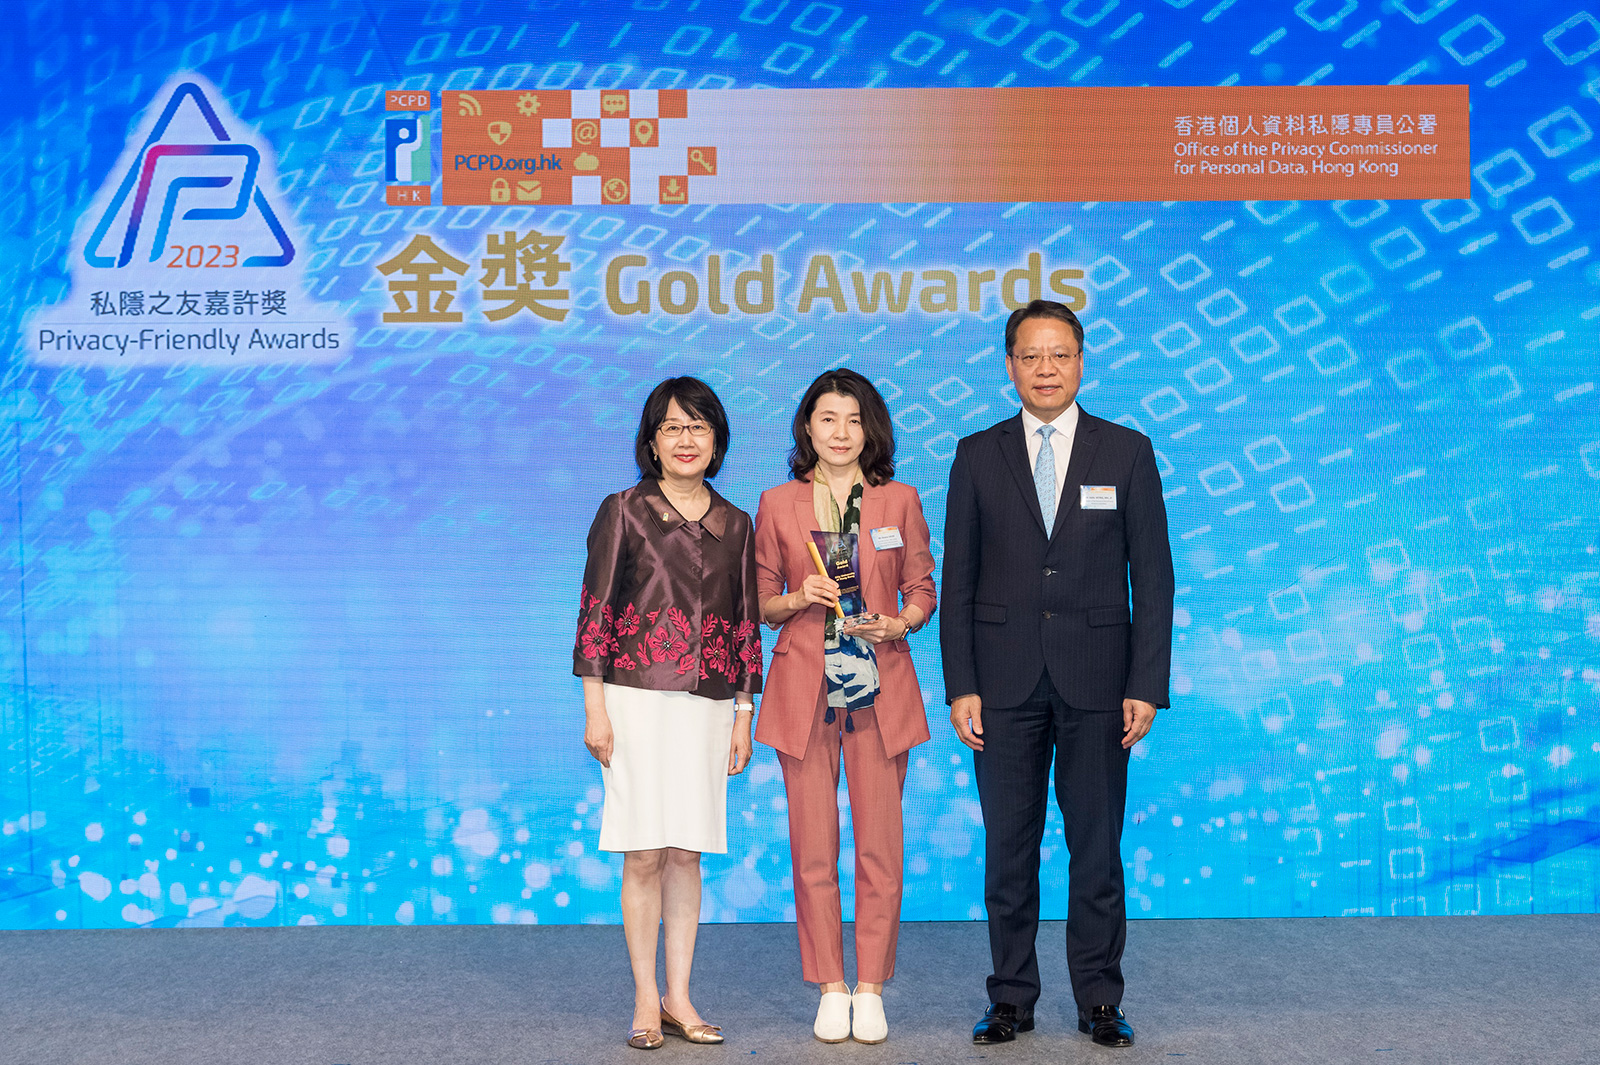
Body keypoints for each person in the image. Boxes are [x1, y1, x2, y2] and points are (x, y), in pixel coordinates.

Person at [940, 300, 1174, 1049]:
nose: (1046, 369)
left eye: (1060, 355)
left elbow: (1154, 578)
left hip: (1101, 682)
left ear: (1081, 362)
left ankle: (1100, 999)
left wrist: (1146, 683)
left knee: (1096, 849)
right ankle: (1010, 997)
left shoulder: (1127, 451)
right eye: (1031, 356)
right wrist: (961, 684)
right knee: (1008, 850)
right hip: (1001, 685)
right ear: (1010, 366)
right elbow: (958, 581)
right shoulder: (977, 454)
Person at [575, 376, 763, 1051]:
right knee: (644, 851)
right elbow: (595, 613)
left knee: (687, 851)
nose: (686, 440)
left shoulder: (737, 522)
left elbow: (747, 623)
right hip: (633, 699)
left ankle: (679, 996)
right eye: (673, 427)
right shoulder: (623, 511)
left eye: (699, 427)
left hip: (708, 706)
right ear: (651, 442)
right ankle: (643, 998)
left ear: (717, 441)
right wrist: (595, 709)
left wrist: (744, 713)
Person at [753, 368, 937, 1045]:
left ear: (870, 430)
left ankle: (872, 987)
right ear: (807, 427)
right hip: (805, 692)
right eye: (827, 418)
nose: (840, 432)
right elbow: (761, 602)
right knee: (813, 848)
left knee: (880, 848)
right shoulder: (777, 503)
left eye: (854, 420)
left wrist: (901, 621)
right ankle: (831, 984)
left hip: (878, 688)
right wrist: (798, 596)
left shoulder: (898, 500)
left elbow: (923, 585)